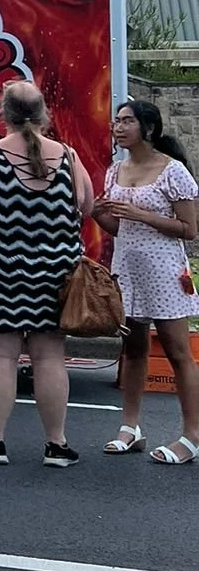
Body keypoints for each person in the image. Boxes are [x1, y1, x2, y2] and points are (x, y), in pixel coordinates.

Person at [0, 81, 95, 470]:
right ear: (44, 115)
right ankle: (56, 445)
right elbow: (86, 206)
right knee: (49, 356)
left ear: (2, 114)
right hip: (55, 277)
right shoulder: (69, 157)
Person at [97, 99, 199, 464]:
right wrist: (99, 216)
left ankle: (191, 435)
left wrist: (142, 214)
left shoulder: (173, 172)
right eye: (117, 121)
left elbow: (189, 229)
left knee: (177, 352)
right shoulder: (115, 170)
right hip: (128, 270)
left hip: (165, 272)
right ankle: (130, 427)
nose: (119, 127)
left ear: (149, 129)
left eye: (128, 121)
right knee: (134, 349)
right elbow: (119, 229)